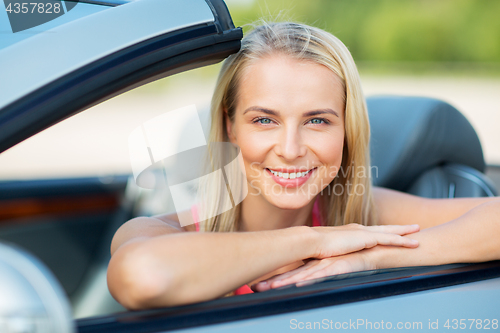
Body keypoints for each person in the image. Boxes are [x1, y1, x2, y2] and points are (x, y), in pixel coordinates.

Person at [107, 21, 500, 310]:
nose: (291, 149)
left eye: (317, 121)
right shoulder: (164, 231)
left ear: (346, 131)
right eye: (265, 120)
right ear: (230, 128)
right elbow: (142, 276)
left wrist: (373, 256)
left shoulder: (357, 210)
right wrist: (316, 242)